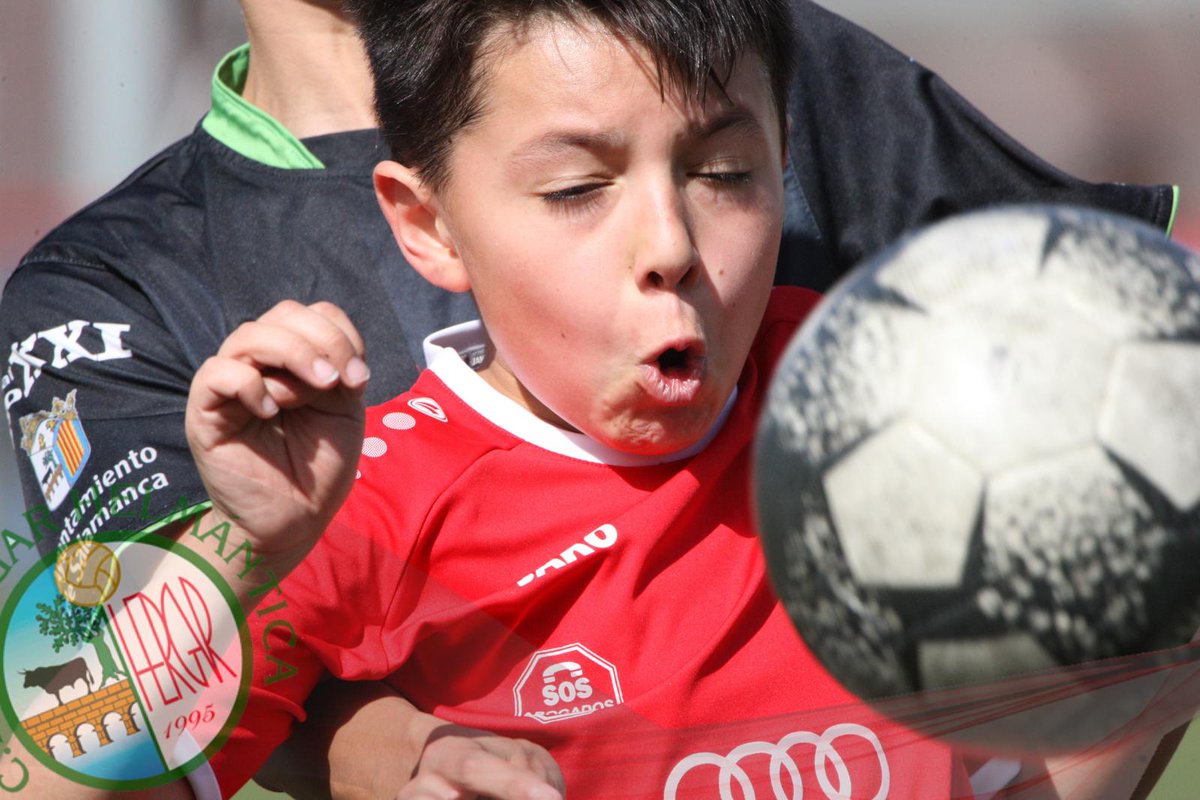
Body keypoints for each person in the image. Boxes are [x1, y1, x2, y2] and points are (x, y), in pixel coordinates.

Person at [0, 0, 1178, 796]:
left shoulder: (716, 45)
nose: (668, 241)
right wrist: (360, 720)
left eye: (725, 171)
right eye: (575, 184)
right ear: (424, 221)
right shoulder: (140, 310)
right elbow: (86, 736)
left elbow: (1134, 386)